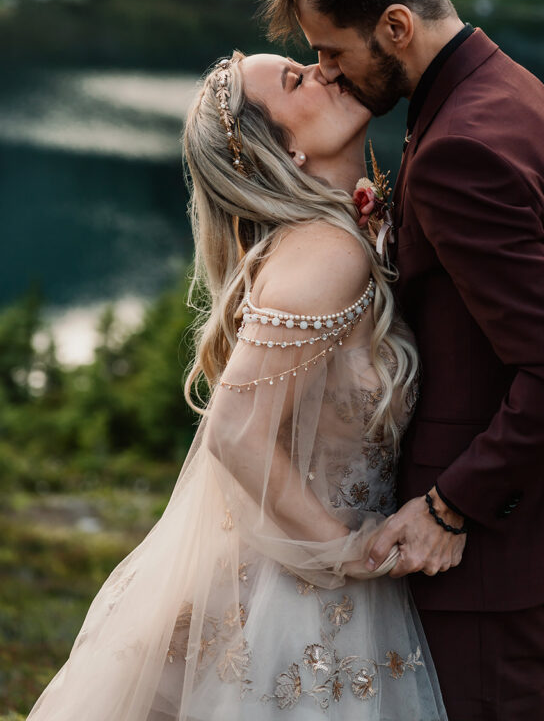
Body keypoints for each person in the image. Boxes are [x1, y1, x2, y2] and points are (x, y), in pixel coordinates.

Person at [256, 0, 544, 721]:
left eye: (330, 52)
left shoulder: (458, 147)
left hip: (484, 553)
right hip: (527, 526)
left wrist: (449, 503)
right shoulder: (510, 89)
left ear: (393, 25)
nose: (326, 73)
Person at [25, 51, 447, 720]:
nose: (324, 71)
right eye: (297, 80)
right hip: (294, 602)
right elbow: (234, 430)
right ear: (282, 151)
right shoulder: (327, 254)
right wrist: (348, 552)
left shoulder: (342, 237)